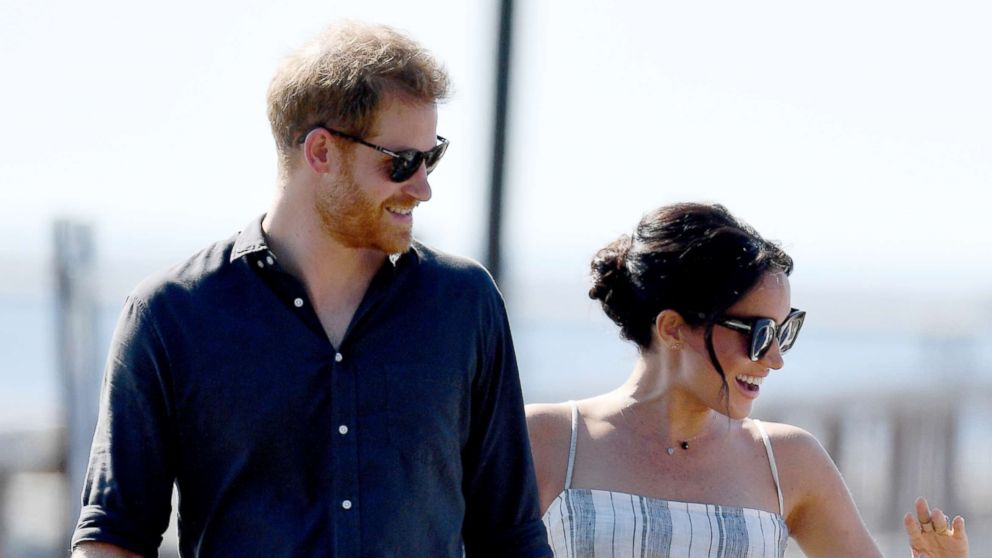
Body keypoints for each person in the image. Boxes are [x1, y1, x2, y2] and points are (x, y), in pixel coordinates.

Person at [70, 21, 551, 558]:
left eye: (431, 156)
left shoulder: (464, 305)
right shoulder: (171, 315)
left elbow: (511, 535)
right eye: (402, 162)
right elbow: (114, 538)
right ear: (321, 152)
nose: (423, 187)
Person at [526, 202, 969, 557]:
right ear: (673, 328)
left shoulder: (789, 462)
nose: (774, 359)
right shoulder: (543, 441)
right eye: (758, 335)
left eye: (783, 332)